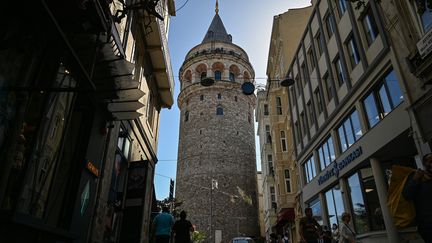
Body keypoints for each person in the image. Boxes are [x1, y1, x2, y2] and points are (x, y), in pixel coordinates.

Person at [403, 153, 432, 243]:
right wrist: (415, 180)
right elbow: (407, 195)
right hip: (428, 225)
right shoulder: (419, 178)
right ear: (425, 164)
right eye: (429, 161)